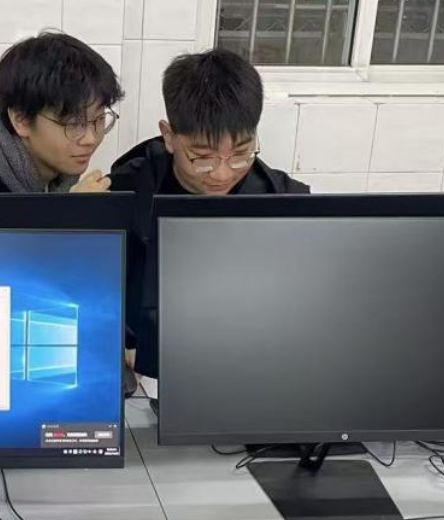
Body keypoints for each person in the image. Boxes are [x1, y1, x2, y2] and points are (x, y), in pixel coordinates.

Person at [110, 49, 309, 391]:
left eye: (241, 154)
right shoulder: (125, 194)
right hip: (141, 376)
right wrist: (117, 340)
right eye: (202, 157)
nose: (221, 173)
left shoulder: (284, 201)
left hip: (246, 370)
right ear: (169, 135)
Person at [0, 31, 122, 194]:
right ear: (21, 120)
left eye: (99, 119)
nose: (90, 139)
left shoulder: (54, 177)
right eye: (74, 124)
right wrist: (70, 214)